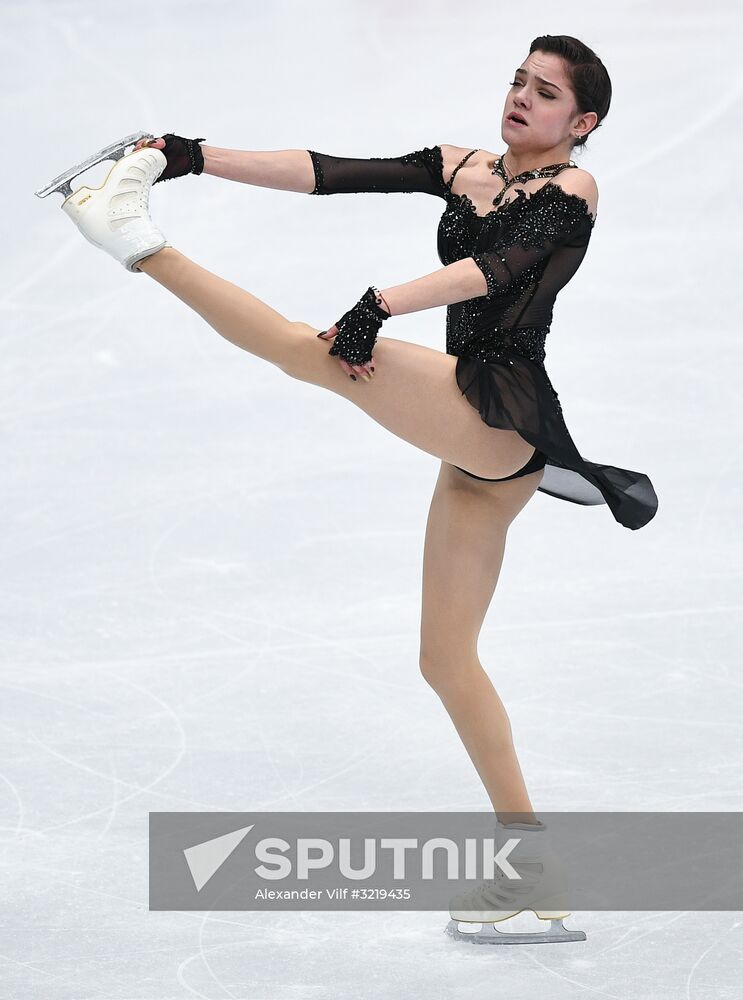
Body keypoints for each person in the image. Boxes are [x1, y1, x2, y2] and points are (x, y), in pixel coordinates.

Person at [57, 32, 657, 940]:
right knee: (443, 662)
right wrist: (193, 157)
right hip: (478, 461)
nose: (520, 98)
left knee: (316, 353)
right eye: (516, 81)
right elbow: (326, 172)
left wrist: (382, 303)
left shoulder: (574, 190)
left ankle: (136, 243)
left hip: (499, 411)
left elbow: (497, 271)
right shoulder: (467, 168)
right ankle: (530, 867)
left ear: (583, 122)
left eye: (544, 92)